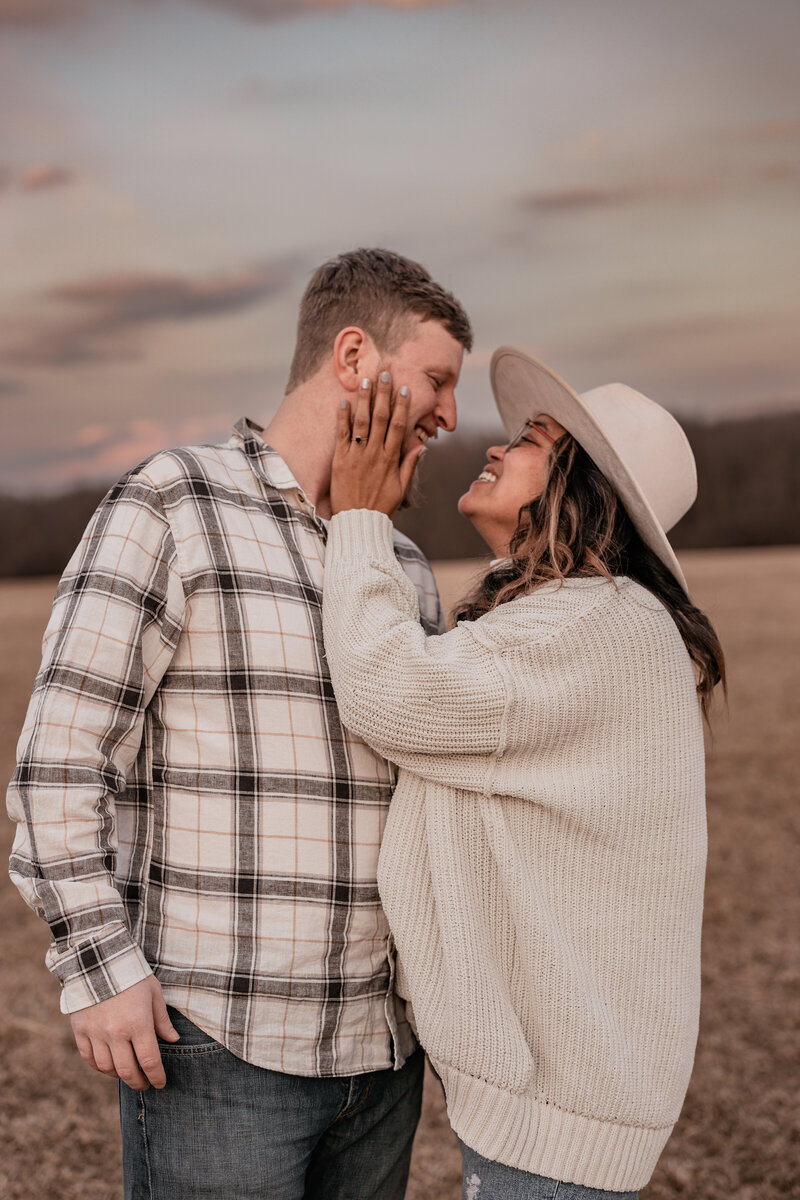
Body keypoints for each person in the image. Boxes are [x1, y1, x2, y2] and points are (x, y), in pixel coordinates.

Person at [6, 247, 472, 1200]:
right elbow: (60, 761)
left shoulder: (401, 564)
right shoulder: (172, 503)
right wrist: (100, 969)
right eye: (436, 380)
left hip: (382, 1058)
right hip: (218, 1049)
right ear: (354, 359)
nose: (450, 415)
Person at [321, 351, 727, 1199]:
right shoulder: (581, 619)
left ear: (583, 488)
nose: (499, 450)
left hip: (562, 1110)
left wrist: (358, 517)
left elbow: (389, 692)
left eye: (533, 441)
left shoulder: (596, 623)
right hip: (565, 1096)